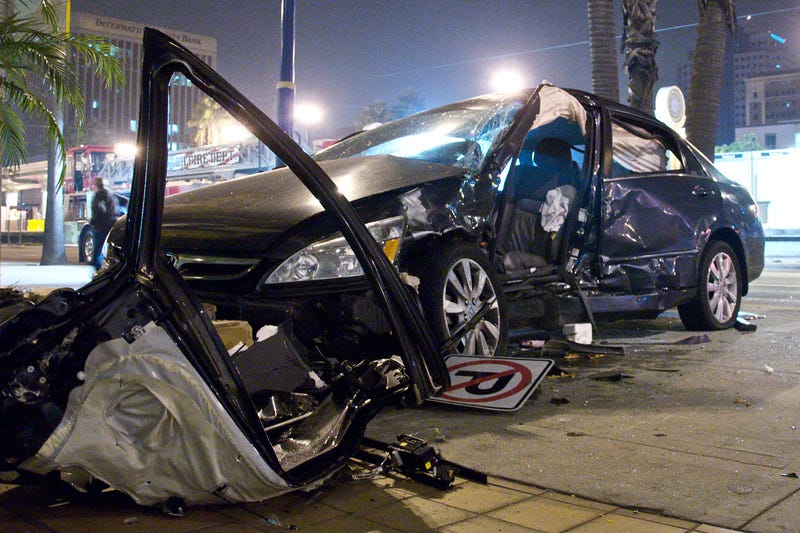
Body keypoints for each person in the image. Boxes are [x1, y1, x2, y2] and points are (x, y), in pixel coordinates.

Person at [89, 177, 118, 269]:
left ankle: (97, 269)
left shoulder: (98, 196)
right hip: (112, 224)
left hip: (101, 226)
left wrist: (94, 222)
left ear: (96, 185)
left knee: (97, 249)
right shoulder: (112, 195)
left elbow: (99, 209)